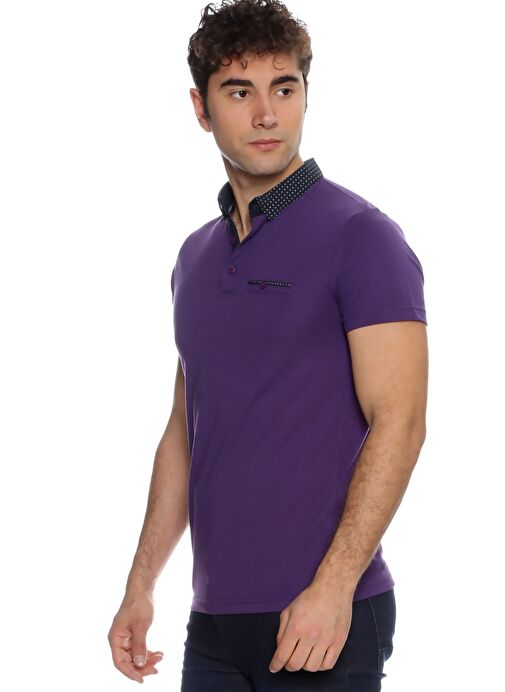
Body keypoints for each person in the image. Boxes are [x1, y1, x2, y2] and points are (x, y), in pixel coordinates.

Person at [107, 0, 429, 689]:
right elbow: (185, 431)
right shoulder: (194, 257)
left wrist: (333, 587)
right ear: (200, 108)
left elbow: (399, 421)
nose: (265, 115)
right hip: (215, 623)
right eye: (238, 92)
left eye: (284, 89)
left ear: (305, 95)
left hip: (323, 616)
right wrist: (141, 586)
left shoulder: (361, 237)